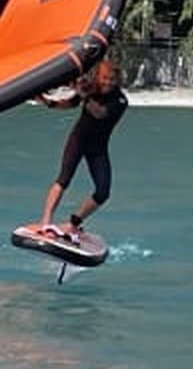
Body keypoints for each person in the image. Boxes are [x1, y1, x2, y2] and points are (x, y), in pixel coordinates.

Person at [35, 59, 128, 243]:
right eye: (104, 78)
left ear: (117, 79)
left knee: (103, 192)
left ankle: (74, 223)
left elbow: (100, 113)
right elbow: (71, 103)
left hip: (98, 149)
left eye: (112, 79)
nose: (108, 82)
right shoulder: (90, 88)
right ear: (98, 76)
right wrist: (48, 102)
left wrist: (84, 94)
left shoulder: (120, 100)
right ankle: (45, 222)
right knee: (63, 179)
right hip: (78, 140)